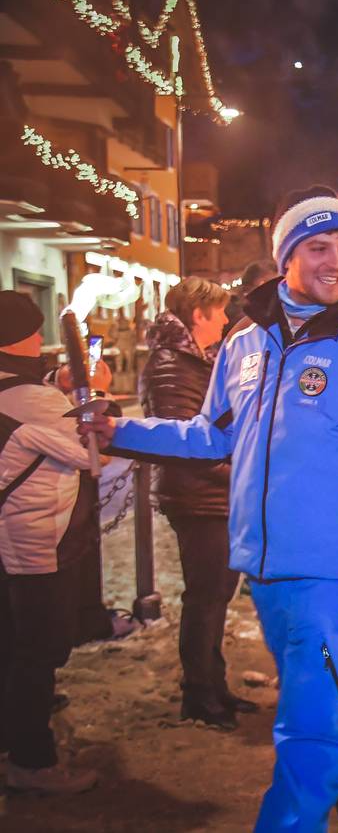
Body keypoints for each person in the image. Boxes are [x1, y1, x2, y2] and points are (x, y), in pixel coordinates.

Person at [81, 187, 338, 830]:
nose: (335, 261)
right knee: (328, 708)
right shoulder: (247, 342)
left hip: (333, 570)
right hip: (264, 566)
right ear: (284, 260)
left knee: (310, 729)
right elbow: (210, 435)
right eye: (317, 248)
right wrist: (123, 433)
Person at [0, 291, 111, 794]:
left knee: (11, 643)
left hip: (10, 539)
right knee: (38, 650)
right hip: (35, 542)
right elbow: (93, 453)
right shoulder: (36, 401)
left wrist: (60, 383)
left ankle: (12, 738)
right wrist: (92, 399)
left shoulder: (18, 388)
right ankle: (31, 760)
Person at [139, 276, 260, 730]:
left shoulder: (196, 359)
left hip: (215, 494)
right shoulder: (174, 365)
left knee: (216, 595)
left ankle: (215, 685)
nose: (226, 320)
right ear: (198, 316)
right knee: (205, 598)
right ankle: (199, 694)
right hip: (199, 497)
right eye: (220, 312)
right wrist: (244, 474)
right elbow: (186, 442)